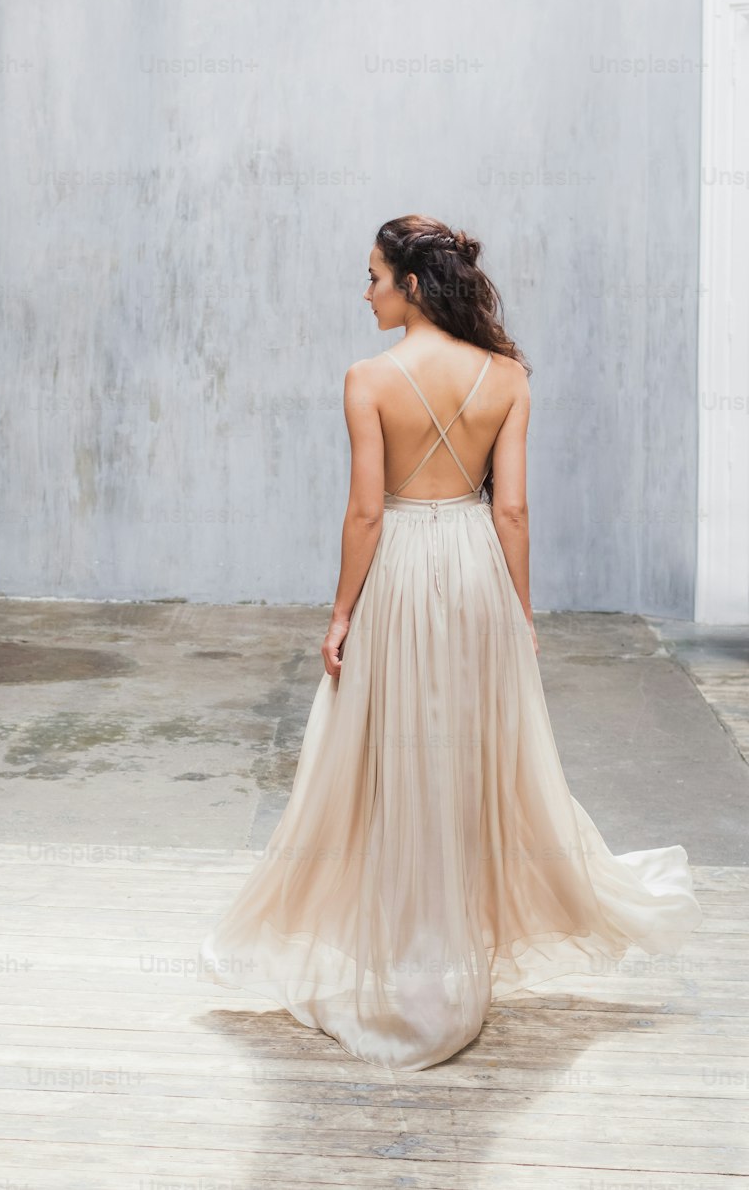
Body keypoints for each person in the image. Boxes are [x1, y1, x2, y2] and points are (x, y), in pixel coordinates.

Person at [198, 214, 703, 1070]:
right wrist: (522, 613)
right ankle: (447, 962)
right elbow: (510, 509)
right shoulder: (507, 377)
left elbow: (365, 511)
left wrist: (340, 613)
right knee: (466, 762)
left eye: (372, 278)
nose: (365, 293)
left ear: (413, 287)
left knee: (391, 763)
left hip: (400, 570)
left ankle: (404, 969)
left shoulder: (367, 380)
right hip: (473, 572)